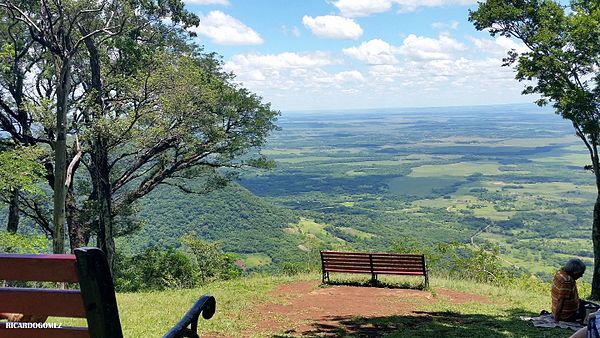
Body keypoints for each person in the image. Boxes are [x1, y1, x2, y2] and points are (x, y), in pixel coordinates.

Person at [552, 258, 596, 322]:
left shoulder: (560, 273)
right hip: (568, 314)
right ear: (574, 272)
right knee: (595, 312)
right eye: (580, 273)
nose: (581, 276)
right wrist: (556, 319)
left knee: (595, 307)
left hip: (570, 307)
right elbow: (561, 301)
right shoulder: (567, 281)